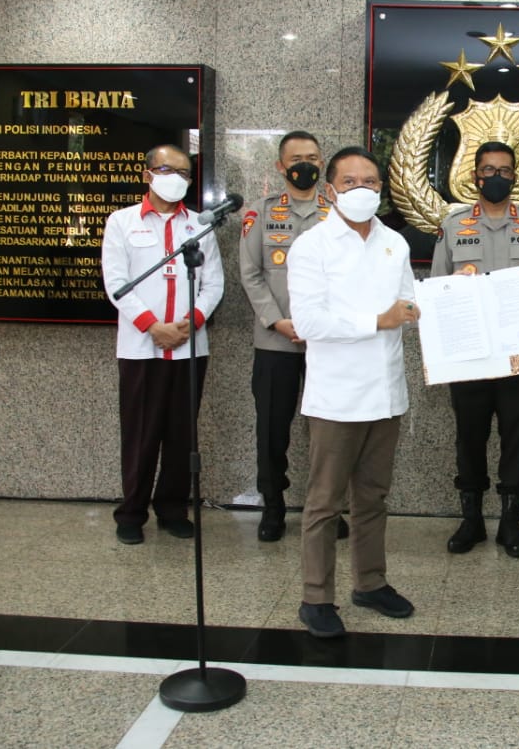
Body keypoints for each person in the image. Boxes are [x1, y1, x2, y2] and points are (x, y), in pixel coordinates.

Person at [287, 146, 419, 638]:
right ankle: (316, 597)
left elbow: (410, 302)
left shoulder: (394, 242)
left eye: (370, 182)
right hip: (337, 398)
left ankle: (370, 582)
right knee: (325, 502)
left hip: (386, 392)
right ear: (330, 190)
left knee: (373, 497)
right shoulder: (312, 246)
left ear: (382, 189)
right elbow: (309, 322)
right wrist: (378, 320)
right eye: (350, 182)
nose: (361, 189)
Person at [430, 141, 519, 557]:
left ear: (515, 177)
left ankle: (510, 522)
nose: (496, 177)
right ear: (475, 176)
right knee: (469, 437)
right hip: (470, 354)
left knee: (518, 437)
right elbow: (437, 290)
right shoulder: (453, 225)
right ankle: (471, 520)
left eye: (504, 171)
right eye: (488, 170)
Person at [101, 144, 225, 546]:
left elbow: (214, 284)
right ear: (147, 174)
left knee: (181, 434)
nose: (176, 179)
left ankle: (172, 508)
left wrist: (190, 323)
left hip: (190, 347)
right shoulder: (121, 222)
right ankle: (131, 513)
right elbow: (116, 283)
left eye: (184, 173)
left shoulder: (200, 225)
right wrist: (153, 326)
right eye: (167, 170)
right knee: (141, 432)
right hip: (141, 347)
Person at [238, 131, 347, 543]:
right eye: (297, 158)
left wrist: (327, 322)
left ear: (322, 163)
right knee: (272, 429)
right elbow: (250, 274)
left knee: (331, 431)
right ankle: (273, 506)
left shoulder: (339, 212)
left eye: (314, 158)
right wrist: (276, 320)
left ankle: (328, 508)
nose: (306, 165)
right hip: (276, 342)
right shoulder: (261, 212)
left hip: (328, 344)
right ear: (280, 166)